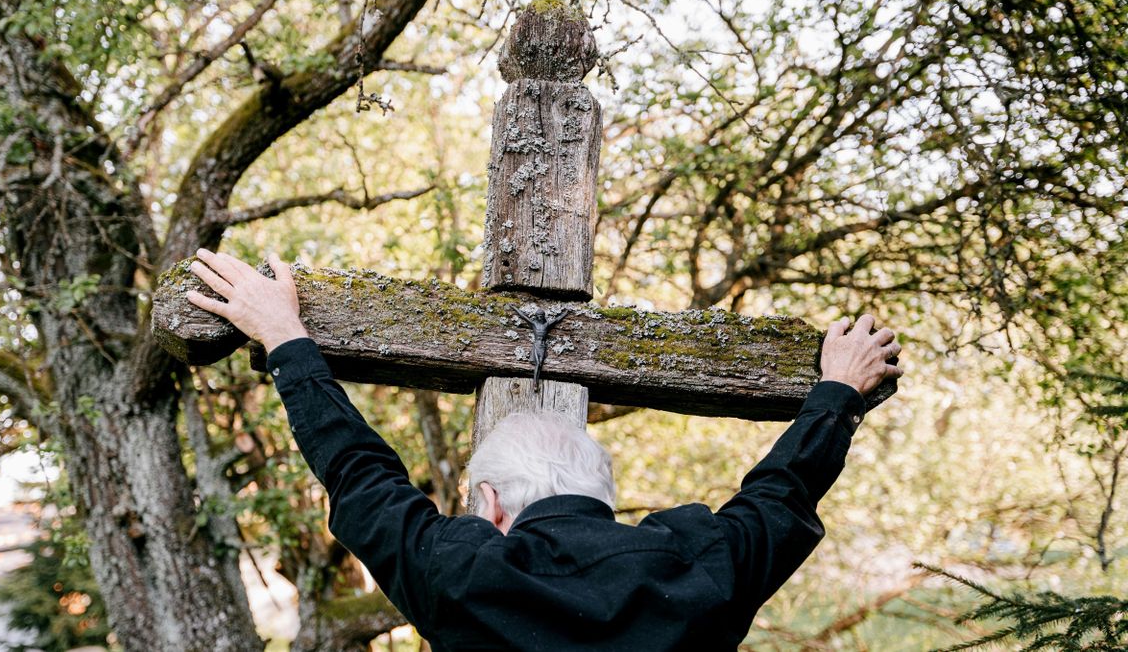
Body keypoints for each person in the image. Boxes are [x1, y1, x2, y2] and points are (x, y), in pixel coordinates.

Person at [186, 248, 905, 651]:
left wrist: (284, 336)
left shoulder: (461, 576)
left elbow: (359, 474)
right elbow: (781, 492)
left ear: (491, 503)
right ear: (605, 492)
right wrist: (838, 387)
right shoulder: (700, 569)